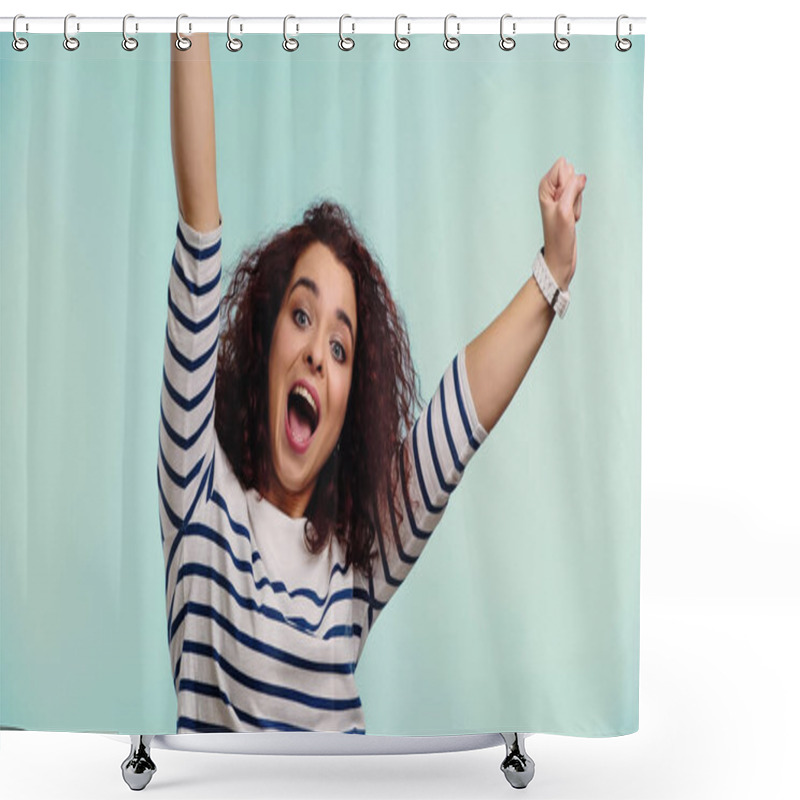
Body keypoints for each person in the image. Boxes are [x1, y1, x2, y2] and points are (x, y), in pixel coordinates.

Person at [160, 33, 586, 734]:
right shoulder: (198, 495)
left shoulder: (356, 558)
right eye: (300, 317)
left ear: (350, 402)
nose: (318, 356)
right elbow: (200, 236)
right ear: (264, 345)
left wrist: (554, 273)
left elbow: (455, 419)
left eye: (340, 344)